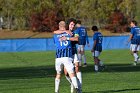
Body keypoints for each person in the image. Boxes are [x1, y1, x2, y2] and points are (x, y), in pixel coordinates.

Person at [53, 21, 80, 93]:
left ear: (59, 26)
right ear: (65, 26)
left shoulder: (55, 35)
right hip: (67, 57)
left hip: (58, 57)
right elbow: (76, 40)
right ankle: (77, 88)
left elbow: (55, 34)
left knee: (58, 74)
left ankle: (56, 91)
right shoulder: (69, 33)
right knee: (72, 73)